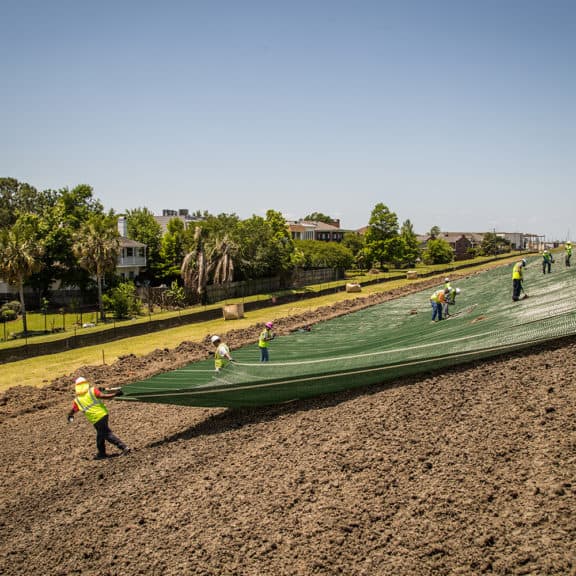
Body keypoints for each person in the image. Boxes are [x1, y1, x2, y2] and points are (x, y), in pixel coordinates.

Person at [67, 376, 129, 460]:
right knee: (100, 435)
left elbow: (73, 410)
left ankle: (123, 447)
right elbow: (103, 396)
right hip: (103, 414)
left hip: (96, 419)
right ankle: (101, 453)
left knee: (106, 434)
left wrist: (70, 416)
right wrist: (115, 394)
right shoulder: (92, 390)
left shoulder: (77, 400)